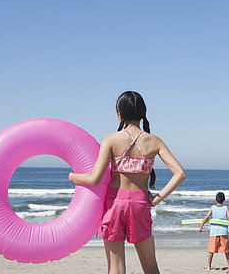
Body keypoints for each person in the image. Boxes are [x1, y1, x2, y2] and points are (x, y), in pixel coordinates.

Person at [69, 91, 186, 274]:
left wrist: (72, 176)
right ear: (143, 113)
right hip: (140, 205)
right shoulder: (154, 141)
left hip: (114, 204)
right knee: (150, 267)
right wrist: (155, 199)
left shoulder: (111, 140)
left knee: (115, 268)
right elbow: (180, 174)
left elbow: (94, 179)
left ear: (119, 114)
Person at [198, 192, 229, 270]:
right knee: (226, 250)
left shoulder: (212, 207)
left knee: (211, 250)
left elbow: (206, 217)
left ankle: (209, 267)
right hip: (223, 232)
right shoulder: (226, 208)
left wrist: (201, 227)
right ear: (224, 199)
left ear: (216, 199)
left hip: (214, 232)